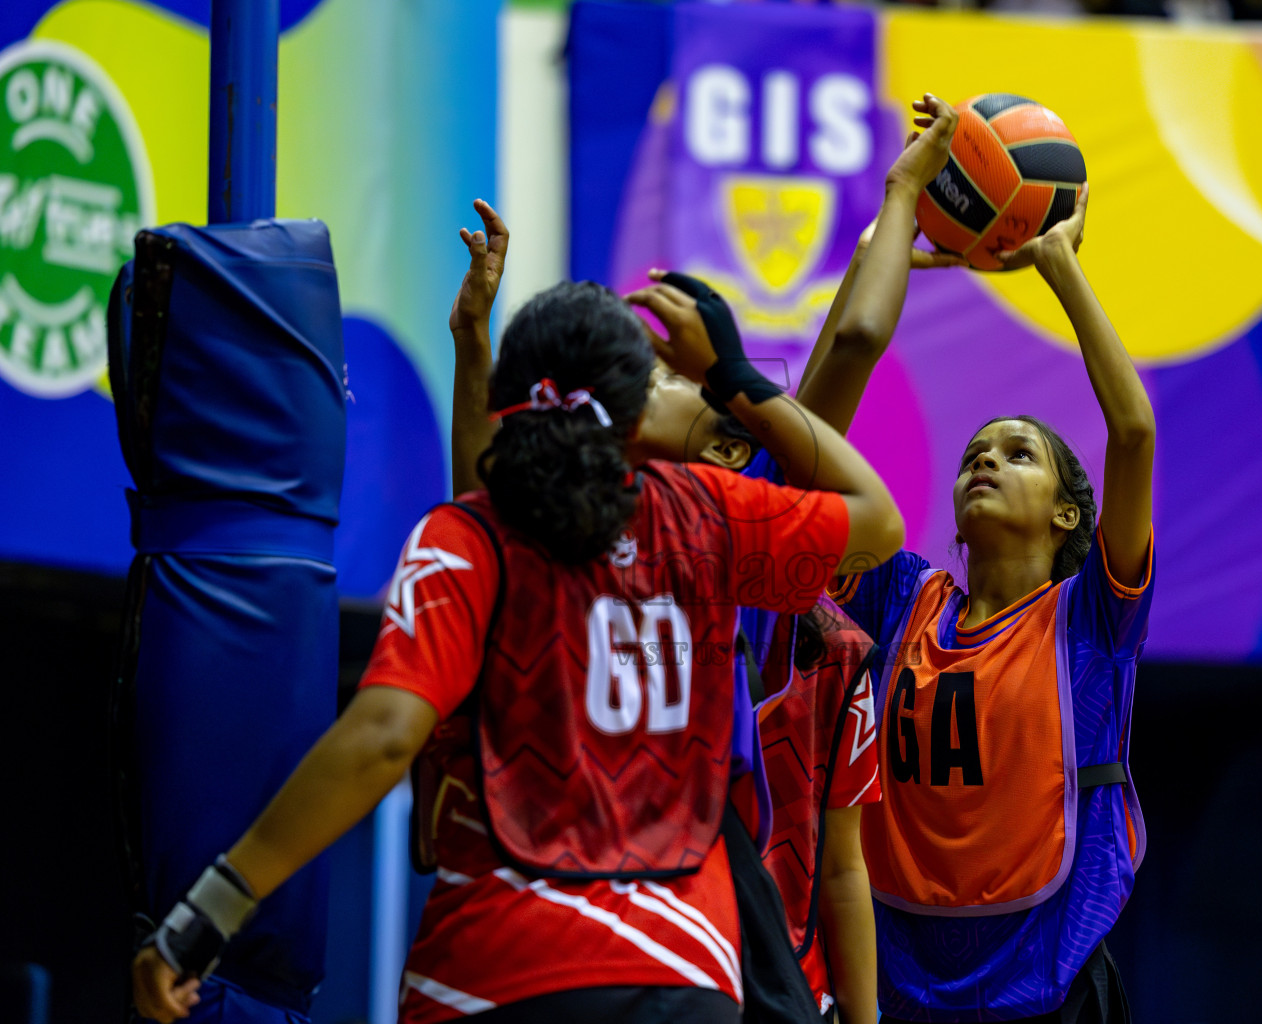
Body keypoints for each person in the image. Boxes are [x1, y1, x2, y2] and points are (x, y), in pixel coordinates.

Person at [130, 204, 905, 1024]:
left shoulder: (471, 539)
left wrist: (206, 912)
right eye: (659, 374)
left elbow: (385, 732)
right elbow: (877, 517)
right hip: (684, 967)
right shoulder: (709, 516)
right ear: (632, 417)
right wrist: (735, 377)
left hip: (497, 968)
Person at [448, 202, 894, 1024]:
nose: (631, 385)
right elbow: (483, 495)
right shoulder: (550, 525)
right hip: (567, 897)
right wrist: (474, 345)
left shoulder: (725, 529)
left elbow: (856, 343)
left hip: (705, 903)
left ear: (726, 445)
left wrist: (892, 208)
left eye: (660, 376)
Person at [802, 93, 1155, 1023]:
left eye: (1018, 452)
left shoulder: (1091, 619)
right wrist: (894, 214)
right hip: (902, 984)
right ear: (954, 515)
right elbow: (809, 431)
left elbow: (1133, 429)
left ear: (1068, 511)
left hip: (1048, 983)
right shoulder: (900, 598)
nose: (986, 460)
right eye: (974, 454)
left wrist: (1060, 270)